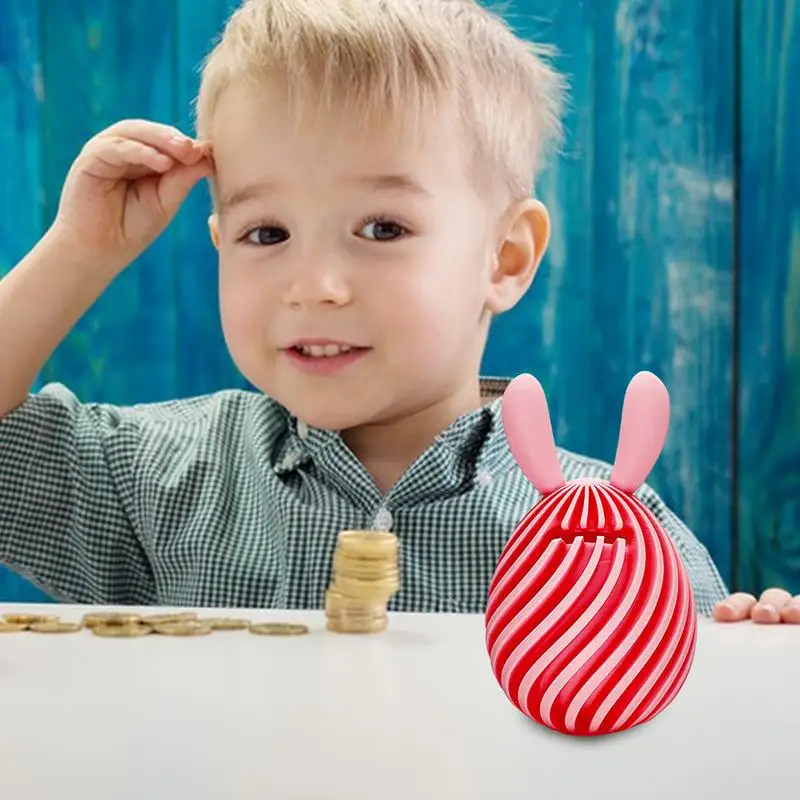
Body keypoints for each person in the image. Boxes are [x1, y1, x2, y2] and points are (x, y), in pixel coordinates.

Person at [0, 0, 791, 624]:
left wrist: (757, 655)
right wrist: (81, 248)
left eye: (382, 228)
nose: (314, 285)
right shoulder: (160, 479)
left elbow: (688, 708)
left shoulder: (605, 532)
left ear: (504, 257)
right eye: (265, 232)